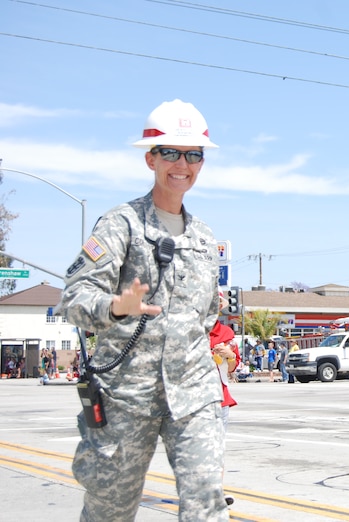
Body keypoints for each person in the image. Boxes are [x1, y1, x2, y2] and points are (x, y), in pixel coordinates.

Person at [58, 99, 229, 521]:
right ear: (150, 158)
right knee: (109, 510)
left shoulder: (206, 238)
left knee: (207, 504)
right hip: (126, 398)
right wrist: (116, 308)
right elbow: (74, 298)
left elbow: (207, 314)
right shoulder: (121, 225)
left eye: (193, 154)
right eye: (170, 152)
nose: (182, 164)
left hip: (193, 394)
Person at [209, 303, 240, 507]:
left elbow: (232, 366)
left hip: (220, 399)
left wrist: (229, 355)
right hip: (192, 399)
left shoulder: (225, 332)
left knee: (217, 448)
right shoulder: (189, 329)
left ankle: (216, 492)